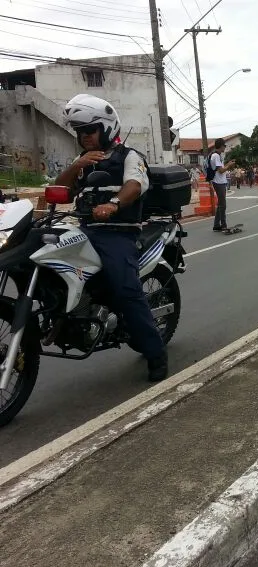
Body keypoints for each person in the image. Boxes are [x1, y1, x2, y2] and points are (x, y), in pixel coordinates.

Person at [57, 94, 168, 382]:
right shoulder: (81, 161)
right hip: (82, 229)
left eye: (90, 131)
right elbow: (60, 190)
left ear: (106, 128)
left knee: (125, 287)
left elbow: (135, 185)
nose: (84, 137)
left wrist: (114, 204)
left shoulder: (129, 156)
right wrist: (76, 167)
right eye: (80, 132)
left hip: (118, 231)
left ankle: (156, 353)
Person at [206, 138, 235, 231]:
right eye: (225, 146)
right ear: (221, 146)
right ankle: (223, 225)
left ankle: (216, 225)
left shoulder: (217, 155)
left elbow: (221, 168)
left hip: (220, 181)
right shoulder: (216, 156)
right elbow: (221, 170)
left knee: (220, 204)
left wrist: (227, 164)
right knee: (223, 204)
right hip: (219, 182)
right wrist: (229, 165)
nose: (225, 147)